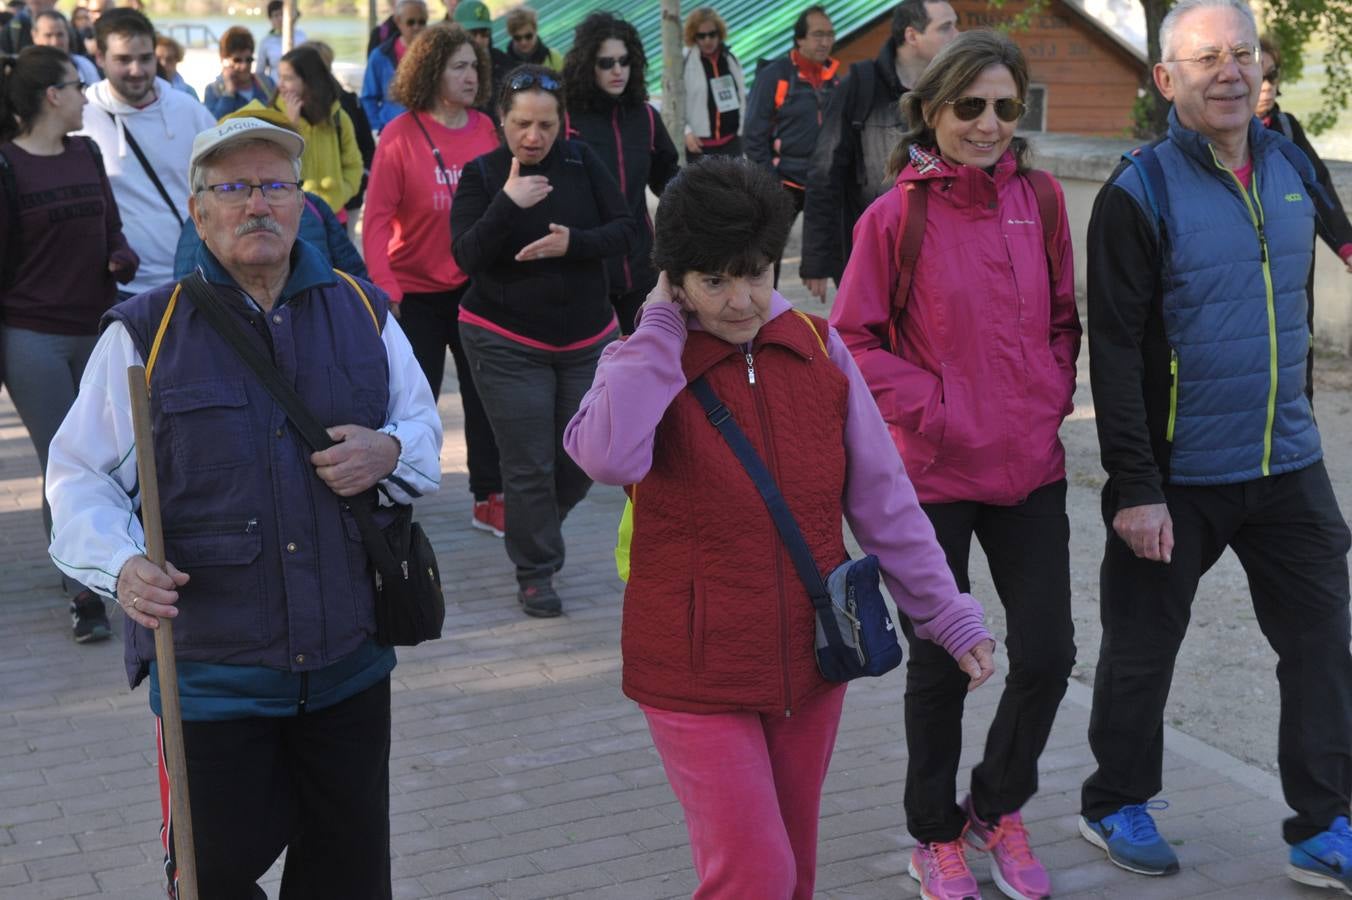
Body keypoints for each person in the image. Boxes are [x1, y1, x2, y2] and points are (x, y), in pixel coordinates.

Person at [563, 155, 996, 900]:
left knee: (793, 872)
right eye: (714, 280)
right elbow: (605, 456)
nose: (740, 301)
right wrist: (661, 331)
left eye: (756, 273)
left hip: (811, 656)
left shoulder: (820, 348)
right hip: (694, 668)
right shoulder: (644, 359)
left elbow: (884, 501)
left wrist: (946, 613)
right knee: (754, 876)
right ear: (677, 278)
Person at [45, 115, 442, 899]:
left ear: (303, 205)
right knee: (212, 878)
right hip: (211, 681)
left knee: (349, 879)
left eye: (273, 186)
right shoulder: (145, 334)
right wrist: (121, 567)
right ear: (199, 212)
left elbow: (425, 432)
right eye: (232, 188)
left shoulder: (365, 315)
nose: (255, 205)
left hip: (348, 669)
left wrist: (389, 452)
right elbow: (78, 479)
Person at [1078, 0, 1352, 889]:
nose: (1229, 72)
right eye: (1206, 59)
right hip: (1176, 472)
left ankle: (1324, 826)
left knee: (1321, 646)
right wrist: (1135, 483)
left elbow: (1323, 270)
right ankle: (1116, 800)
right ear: (1167, 80)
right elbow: (1113, 348)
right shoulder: (1137, 191)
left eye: (1241, 55)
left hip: (1286, 462)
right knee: (1142, 649)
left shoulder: (1289, 162)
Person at [828, 30, 1078, 900]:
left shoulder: (1042, 201)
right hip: (932, 475)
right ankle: (932, 834)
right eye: (969, 106)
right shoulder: (896, 215)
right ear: (931, 110)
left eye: (1006, 107)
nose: (988, 124)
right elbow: (851, 340)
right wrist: (936, 407)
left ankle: (994, 807)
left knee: (1048, 653)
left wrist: (1048, 390)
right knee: (940, 664)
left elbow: (1062, 322)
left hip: (1032, 468)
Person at [450, 64, 635, 617]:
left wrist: (573, 243)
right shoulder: (482, 175)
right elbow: (465, 257)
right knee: (528, 463)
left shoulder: (582, 162)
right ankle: (536, 570)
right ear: (500, 122)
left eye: (546, 125)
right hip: (503, 338)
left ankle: (534, 529)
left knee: (586, 457)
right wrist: (509, 202)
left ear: (563, 124)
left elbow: (628, 230)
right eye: (522, 123)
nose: (534, 136)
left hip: (585, 335)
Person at [0, 45, 137, 643]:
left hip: (98, 329)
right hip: (32, 337)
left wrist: (121, 255)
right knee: (65, 460)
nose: (87, 94)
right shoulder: (6, 167)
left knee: (112, 454)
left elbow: (113, 228)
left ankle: (112, 560)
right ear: (52, 96)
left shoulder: (85, 152)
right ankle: (84, 591)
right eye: (77, 86)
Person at [363, 22, 504, 536]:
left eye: (475, 66)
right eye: (459, 66)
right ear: (431, 72)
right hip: (413, 295)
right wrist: (386, 287)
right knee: (408, 402)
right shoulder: (401, 134)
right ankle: (394, 495)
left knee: (483, 393)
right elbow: (376, 217)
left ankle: (489, 495)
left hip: (474, 290)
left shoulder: (488, 129)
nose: (471, 75)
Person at [801, 0, 958, 301]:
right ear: (912, 36)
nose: (957, 34)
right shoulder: (860, 85)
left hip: (938, 252)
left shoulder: (955, 90)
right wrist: (817, 260)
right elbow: (825, 172)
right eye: (945, 27)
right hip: (872, 253)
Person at [76, 8, 215, 299]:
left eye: (145, 58)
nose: (137, 70)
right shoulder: (79, 115)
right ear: (99, 58)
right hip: (116, 288)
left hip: (190, 279)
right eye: (123, 60)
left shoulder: (189, 110)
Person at [562, 12, 679, 335]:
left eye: (624, 61)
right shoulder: (566, 119)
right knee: (593, 376)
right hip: (584, 270)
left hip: (641, 267)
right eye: (606, 63)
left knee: (646, 363)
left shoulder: (645, 117)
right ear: (588, 65)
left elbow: (669, 180)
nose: (617, 70)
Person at [743, 5, 839, 287]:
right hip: (783, 183)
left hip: (822, 183)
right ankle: (763, 320)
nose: (826, 41)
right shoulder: (775, 75)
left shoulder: (834, 77)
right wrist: (771, 179)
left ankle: (851, 323)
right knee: (766, 260)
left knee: (839, 252)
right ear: (800, 39)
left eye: (830, 34)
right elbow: (753, 135)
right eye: (818, 35)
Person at [1257, 35, 1352, 269]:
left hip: (1294, 270)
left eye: (1271, 75)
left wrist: (1347, 245)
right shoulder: (1221, 138)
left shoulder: (1287, 127)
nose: (1267, 86)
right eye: (1259, 77)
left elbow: (1317, 188)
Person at [270, 45, 362, 215]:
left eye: (288, 78)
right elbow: (272, 169)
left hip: (333, 213)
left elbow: (354, 165)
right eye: (279, 77)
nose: (280, 85)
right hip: (292, 216)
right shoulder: (273, 117)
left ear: (309, 81)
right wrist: (292, 127)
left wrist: (343, 193)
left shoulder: (338, 117)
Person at [308, 40, 376, 225]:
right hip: (306, 204)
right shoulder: (293, 106)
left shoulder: (348, 103)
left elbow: (366, 148)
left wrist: (348, 189)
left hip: (345, 201)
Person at [680, 7, 746, 162]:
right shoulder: (684, 61)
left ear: (719, 33)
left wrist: (741, 132)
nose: (707, 40)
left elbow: (742, 97)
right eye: (701, 36)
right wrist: (686, 132)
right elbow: (675, 103)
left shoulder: (730, 59)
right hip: (699, 147)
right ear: (693, 36)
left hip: (731, 144)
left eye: (712, 34)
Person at [360, 0, 426, 133]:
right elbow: (368, 98)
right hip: (392, 130)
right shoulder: (380, 55)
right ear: (398, 21)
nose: (416, 27)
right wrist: (378, 128)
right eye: (411, 22)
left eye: (422, 22)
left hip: (428, 131)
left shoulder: (436, 54)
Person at [204, 26, 274, 118]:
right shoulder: (213, 91)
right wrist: (229, 93)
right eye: (237, 60)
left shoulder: (267, 83)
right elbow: (213, 125)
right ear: (224, 60)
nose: (244, 66)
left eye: (249, 59)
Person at [455, 0, 513, 106]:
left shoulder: (503, 63)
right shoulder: (448, 69)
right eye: (472, 33)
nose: (479, 39)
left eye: (484, 33)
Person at [31, 10, 98, 84]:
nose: (55, 42)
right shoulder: (25, 71)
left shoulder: (84, 67)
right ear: (34, 36)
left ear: (68, 35)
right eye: (48, 35)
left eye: (60, 35)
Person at [256, 0, 306, 86]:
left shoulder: (301, 36)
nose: (280, 18)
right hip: (276, 87)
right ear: (270, 19)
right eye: (276, 15)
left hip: (299, 85)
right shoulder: (266, 42)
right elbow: (260, 72)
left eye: (282, 14)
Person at [504, 5, 562, 71]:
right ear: (511, 36)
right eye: (517, 38)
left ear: (536, 31)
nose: (523, 42)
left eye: (528, 36)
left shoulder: (553, 58)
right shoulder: (504, 65)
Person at [154, 34, 197, 100]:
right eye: (158, 59)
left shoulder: (189, 92)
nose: (163, 64)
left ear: (177, 60)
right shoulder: (141, 92)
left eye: (169, 59)